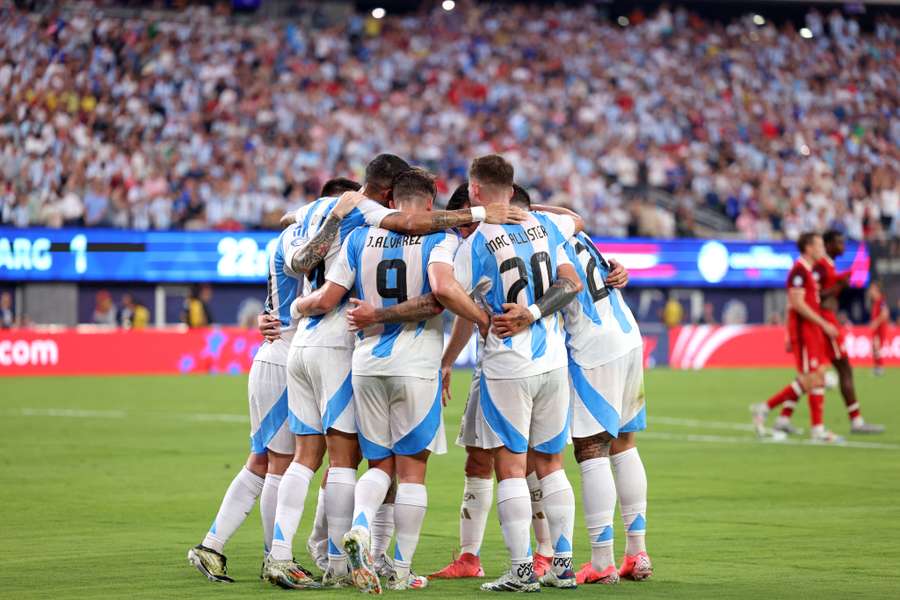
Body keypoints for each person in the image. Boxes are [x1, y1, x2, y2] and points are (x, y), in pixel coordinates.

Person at [261, 154, 526, 589]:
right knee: (408, 471)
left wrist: (292, 309)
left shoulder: (357, 237)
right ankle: (394, 567)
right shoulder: (441, 241)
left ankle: (308, 550)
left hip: (360, 363)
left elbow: (325, 295)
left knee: (367, 464)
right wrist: (480, 319)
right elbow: (439, 295)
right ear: (429, 204)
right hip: (412, 364)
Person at [452, 155, 584, 592]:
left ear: (474, 191)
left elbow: (446, 291)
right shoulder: (544, 228)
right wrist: (532, 312)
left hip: (508, 364)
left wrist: (485, 318)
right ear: (511, 188)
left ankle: (522, 571)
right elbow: (571, 283)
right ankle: (563, 565)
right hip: (553, 362)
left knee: (510, 466)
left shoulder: (475, 242)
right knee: (551, 464)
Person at [187, 217, 306, 583]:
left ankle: (211, 546)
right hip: (284, 361)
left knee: (261, 460)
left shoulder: (289, 238)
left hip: (270, 357)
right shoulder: (318, 241)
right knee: (280, 464)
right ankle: (276, 557)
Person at [769, 231, 883, 434]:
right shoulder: (815, 268)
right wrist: (837, 288)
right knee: (834, 371)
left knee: (813, 375)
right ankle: (849, 422)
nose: (843, 246)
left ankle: (785, 417)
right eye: (838, 242)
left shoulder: (821, 266)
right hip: (821, 323)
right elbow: (807, 299)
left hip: (822, 323)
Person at [752, 233, 843, 443]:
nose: (822, 249)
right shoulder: (799, 271)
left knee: (818, 375)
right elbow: (796, 304)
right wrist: (823, 324)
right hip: (804, 331)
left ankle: (813, 427)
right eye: (819, 245)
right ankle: (767, 410)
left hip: (812, 330)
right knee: (809, 379)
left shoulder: (809, 272)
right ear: (809, 248)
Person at [870, 281, 889, 376]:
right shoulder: (875, 302)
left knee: (877, 347)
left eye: (872, 289)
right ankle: (877, 366)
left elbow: (885, 314)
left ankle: (880, 367)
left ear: (877, 290)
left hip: (880, 329)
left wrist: (875, 322)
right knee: (874, 347)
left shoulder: (881, 301)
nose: (870, 292)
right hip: (876, 328)